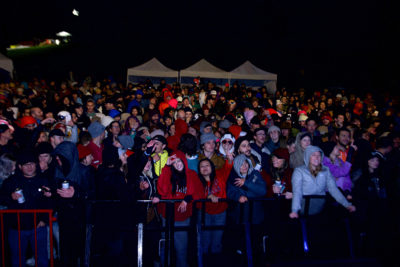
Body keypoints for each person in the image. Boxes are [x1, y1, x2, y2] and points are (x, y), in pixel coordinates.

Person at [1, 152, 52, 267]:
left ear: (36, 165)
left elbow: (50, 202)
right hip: (17, 227)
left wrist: (44, 220)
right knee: (17, 259)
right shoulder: (11, 181)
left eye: (32, 164)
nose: (29, 167)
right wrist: (10, 197)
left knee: (42, 258)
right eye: (25, 164)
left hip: (38, 226)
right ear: (20, 166)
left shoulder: (44, 181)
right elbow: (2, 198)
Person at [157, 152, 202, 267]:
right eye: (174, 162)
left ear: (184, 161)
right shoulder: (168, 173)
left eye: (179, 161)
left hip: (182, 216)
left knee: (181, 246)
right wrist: (166, 167)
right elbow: (162, 190)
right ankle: (163, 264)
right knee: (165, 244)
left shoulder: (191, 174)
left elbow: (200, 192)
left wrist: (187, 199)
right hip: (166, 215)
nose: (177, 164)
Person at [289, 146, 356, 218]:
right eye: (313, 155)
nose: (317, 157)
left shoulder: (326, 170)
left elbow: (333, 190)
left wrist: (347, 205)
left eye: (319, 155)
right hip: (304, 206)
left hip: (320, 207)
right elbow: (297, 191)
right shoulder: (299, 171)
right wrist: (294, 210)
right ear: (308, 157)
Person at [197, 157, 233, 257]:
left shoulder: (220, 175)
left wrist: (229, 159)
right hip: (205, 213)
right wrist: (208, 196)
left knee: (217, 240)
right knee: (205, 240)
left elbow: (228, 167)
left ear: (212, 167)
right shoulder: (197, 180)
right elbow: (195, 194)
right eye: (202, 166)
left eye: (207, 165)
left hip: (221, 212)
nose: (204, 168)